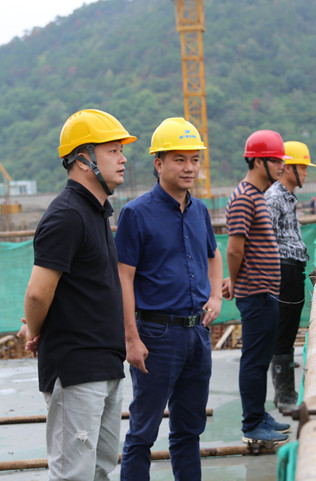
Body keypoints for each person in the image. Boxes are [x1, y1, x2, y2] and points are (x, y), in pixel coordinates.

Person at [18, 109, 136, 481]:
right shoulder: (66, 215)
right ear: (84, 160)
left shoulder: (96, 212)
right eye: (113, 150)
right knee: (74, 472)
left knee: (100, 467)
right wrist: (34, 329)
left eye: (121, 150)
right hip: (77, 368)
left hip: (105, 364)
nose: (123, 158)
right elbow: (38, 294)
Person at [115, 117, 223, 481]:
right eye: (180, 159)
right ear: (159, 164)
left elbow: (214, 255)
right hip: (156, 335)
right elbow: (124, 278)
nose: (189, 167)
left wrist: (215, 296)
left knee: (189, 430)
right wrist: (131, 339)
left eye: (194, 159)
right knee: (143, 432)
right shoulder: (136, 213)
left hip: (197, 333)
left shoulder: (199, 210)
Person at [222, 130, 291, 444]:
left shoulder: (256, 196)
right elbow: (234, 249)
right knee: (253, 359)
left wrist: (234, 280)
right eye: (275, 161)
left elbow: (246, 250)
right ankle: (251, 422)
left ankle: (259, 414)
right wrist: (236, 282)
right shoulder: (243, 197)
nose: (281, 166)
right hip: (256, 292)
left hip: (264, 291)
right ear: (259, 161)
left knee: (261, 359)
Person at [265, 140, 316, 412]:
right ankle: (284, 396)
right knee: (283, 332)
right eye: (302, 168)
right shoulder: (274, 198)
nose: (306, 173)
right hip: (283, 270)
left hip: (292, 269)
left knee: (288, 330)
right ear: (288, 168)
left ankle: (286, 392)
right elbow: (264, 239)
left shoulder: (287, 197)